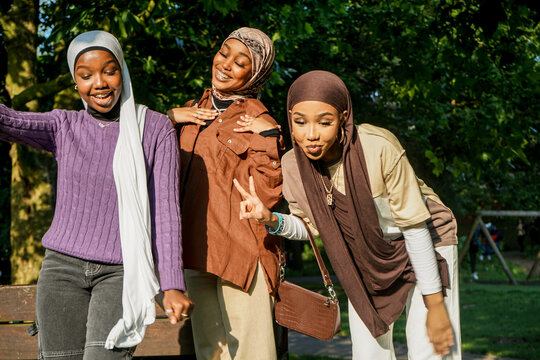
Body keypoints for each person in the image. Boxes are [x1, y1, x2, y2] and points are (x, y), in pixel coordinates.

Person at [234, 70, 461, 359]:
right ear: (289, 117)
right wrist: (271, 219)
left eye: (324, 122)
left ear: (343, 116)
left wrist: (437, 306)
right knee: (368, 354)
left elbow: (414, 227)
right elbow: (311, 227)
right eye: (300, 122)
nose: (311, 134)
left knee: (431, 350)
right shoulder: (292, 165)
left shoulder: (377, 147)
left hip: (427, 242)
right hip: (365, 257)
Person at [0, 30, 193, 359]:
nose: (99, 83)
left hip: (121, 272)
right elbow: (10, 121)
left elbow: (166, 212)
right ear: (76, 82)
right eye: (85, 75)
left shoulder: (156, 129)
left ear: (123, 71)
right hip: (61, 271)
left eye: (109, 70)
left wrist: (173, 283)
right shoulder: (64, 126)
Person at [166, 27, 282, 359]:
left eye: (240, 61)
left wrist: (270, 137)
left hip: (243, 251)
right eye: (224, 52)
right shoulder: (190, 110)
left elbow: (270, 192)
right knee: (209, 352)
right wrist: (168, 118)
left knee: (251, 352)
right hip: (196, 247)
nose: (226, 64)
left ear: (255, 73)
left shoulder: (259, 119)